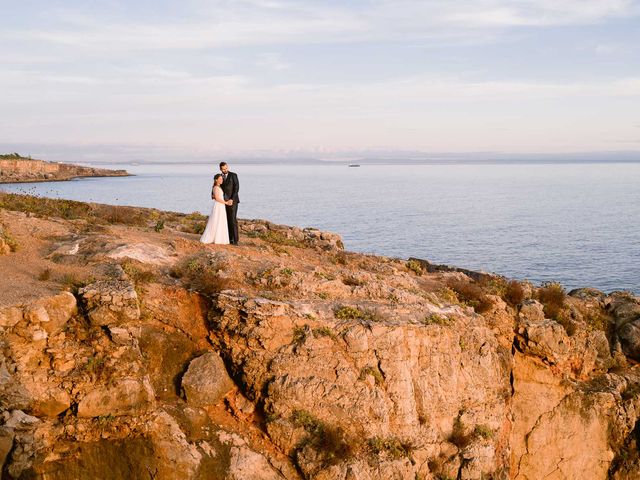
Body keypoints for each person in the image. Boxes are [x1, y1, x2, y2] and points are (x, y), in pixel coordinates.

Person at [200, 173, 231, 244]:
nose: (221, 180)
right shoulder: (216, 187)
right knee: (217, 220)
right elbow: (217, 198)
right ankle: (214, 238)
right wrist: (226, 203)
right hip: (219, 205)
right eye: (220, 179)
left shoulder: (219, 187)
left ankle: (220, 238)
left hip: (221, 205)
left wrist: (226, 202)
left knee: (220, 221)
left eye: (222, 179)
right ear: (216, 180)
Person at [219, 161, 240, 245]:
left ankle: (236, 240)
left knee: (233, 219)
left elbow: (236, 187)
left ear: (228, 167)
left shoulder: (233, 175)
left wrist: (231, 199)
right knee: (226, 220)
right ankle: (229, 239)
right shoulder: (219, 177)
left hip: (233, 201)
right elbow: (217, 187)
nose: (225, 170)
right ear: (220, 169)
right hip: (223, 202)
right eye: (223, 169)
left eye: (226, 168)